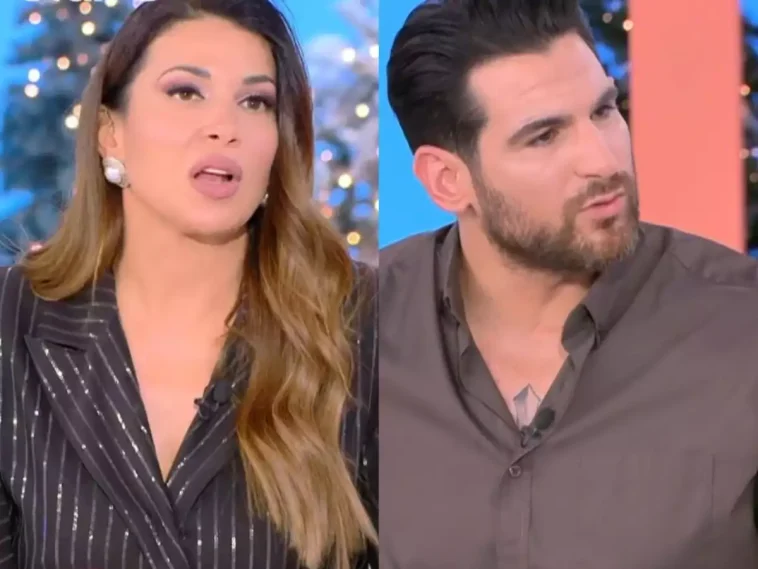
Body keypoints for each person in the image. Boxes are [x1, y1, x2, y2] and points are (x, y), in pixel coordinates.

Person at [379, 0, 758, 567]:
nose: (603, 161)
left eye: (604, 111)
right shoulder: (351, 332)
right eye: (544, 136)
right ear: (448, 180)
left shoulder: (742, 325)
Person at [0, 1, 377, 568]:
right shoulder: (13, 319)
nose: (224, 126)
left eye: (255, 102)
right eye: (185, 92)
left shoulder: (364, 322)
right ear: (110, 134)